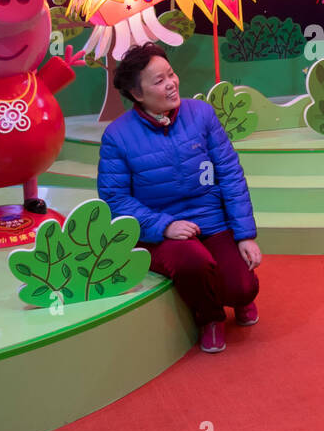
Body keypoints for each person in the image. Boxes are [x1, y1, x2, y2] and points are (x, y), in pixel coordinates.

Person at [97, 42, 262, 354]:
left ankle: (240, 297)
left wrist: (244, 235)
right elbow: (115, 199)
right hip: (162, 230)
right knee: (192, 263)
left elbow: (229, 173)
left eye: (170, 74)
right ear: (137, 94)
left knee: (240, 286)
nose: (171, 83)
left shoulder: (201, 114)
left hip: (212, 221)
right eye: (159, 81)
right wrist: (163, 226)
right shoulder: (117, 136)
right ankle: (209, 317)